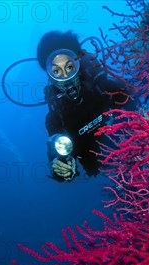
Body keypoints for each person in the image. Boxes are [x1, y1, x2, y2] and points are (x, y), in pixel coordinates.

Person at [37, 31, 134, 182]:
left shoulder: (104, 88)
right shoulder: (56, 118)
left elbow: (136, 106)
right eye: (57, 71)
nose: (65, 77)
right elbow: (59, 157)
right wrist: (61, 169)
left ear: (78, 64)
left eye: (69, 67)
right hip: (104, 175)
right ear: (50, 76)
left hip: (134, 152)